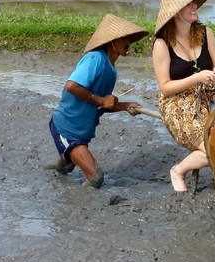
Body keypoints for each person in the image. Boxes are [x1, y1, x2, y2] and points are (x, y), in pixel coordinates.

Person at [47, 13, 149, 189]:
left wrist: (124, 106)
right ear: (111, 41)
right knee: (96, 178)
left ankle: (56, 168)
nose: (128, 43)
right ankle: (79, 208)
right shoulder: (96, 59)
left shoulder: (111, 69)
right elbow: (72, 86)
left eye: (129, 39)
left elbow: (101, 105)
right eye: (124, 38)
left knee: (68, 164)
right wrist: (101, 99)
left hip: (81, 132)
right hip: (67, 128)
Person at [151, 0, 215, 193]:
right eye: (190, 4)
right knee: (214, 150)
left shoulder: (205, 33)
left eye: (195, 3)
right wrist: (196, 77)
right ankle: (178, 170)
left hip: (208, 95)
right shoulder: (161, 44)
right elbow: (165, 87)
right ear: (176, 12)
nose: (195, 6)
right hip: (177, 103)